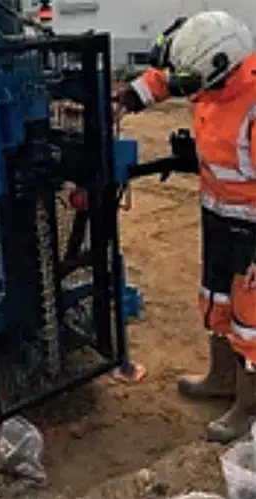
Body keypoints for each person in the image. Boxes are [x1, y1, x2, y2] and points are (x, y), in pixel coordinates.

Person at [120, 10, 256, 443]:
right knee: (216, 298)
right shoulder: (214, 72)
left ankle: (248, 410)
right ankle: (221, 378)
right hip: (218, 215)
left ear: (221, 66)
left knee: (251, 323)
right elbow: (168, 79)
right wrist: (123, 99)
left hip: (252, 232)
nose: (188, 90)